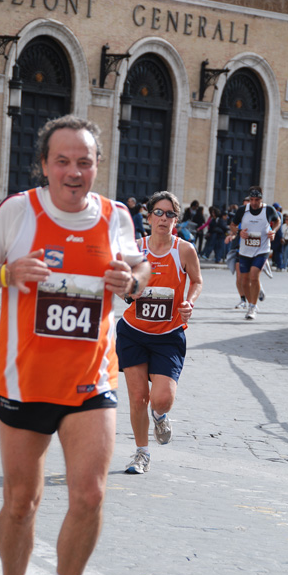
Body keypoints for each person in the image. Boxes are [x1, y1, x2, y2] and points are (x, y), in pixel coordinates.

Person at [0, 115, 151, 575]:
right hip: (27, 383)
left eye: (84, 162)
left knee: (90, 494)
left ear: (97, 165)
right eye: (62, 161)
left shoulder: (116, 216)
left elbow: (141, 264)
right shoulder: (19, 212)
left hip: (92, 381)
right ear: (44, 165)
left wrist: (134, 281)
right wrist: (5, 274)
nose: (73, 172)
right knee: (22, 502)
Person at [116, 191, 203, 474]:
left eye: (170, 214)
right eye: (159, 212)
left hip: (169, 335)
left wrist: (189, 302)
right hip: (133, 332)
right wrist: (129, 294)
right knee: (138, 396)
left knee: (161, 398)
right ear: (149, 216)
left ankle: (160, 414)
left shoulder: (184, 250)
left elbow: (197, 281)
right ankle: (142, 453)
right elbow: (119, 283)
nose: (164, 218)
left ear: (176, 220)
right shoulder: (135, 249)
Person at [230, 186, 280, 320]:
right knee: (244, 279)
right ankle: (249, 301)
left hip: (262, 249)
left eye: (257, 200)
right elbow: (233, 225)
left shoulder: (268, 209)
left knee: (254, 276)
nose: (254, 202)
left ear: (261, 200)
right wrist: (239, 232)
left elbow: (277, 221)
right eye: (252, 200)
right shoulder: (242, 210)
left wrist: (273, 230)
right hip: (245, 250)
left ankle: (252, 306)